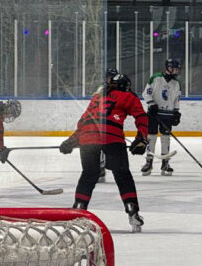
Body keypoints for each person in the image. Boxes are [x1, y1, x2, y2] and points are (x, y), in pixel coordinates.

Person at [59, 72, 149, 232]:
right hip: (111, 138)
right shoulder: (129, 96)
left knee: (89, 174)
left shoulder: (97, 98)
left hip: (88, 138)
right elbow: (141, 117)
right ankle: (132, 211)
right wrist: (141, 138)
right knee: (122, 175)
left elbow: (83, 122)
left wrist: (71, 141)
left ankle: (79, 209)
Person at [141, 58, 182, 176]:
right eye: (173, 68)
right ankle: (148, 162)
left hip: (168, 114)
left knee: (166, 137)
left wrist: (176, 112)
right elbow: (146, 93)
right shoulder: (156, 78)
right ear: (167, 68)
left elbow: (176, 99)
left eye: (176, 69)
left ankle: (165, 163)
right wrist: (151, 104)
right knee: (151, 136)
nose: (175, 71)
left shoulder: (176, 83)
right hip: (154, 113)